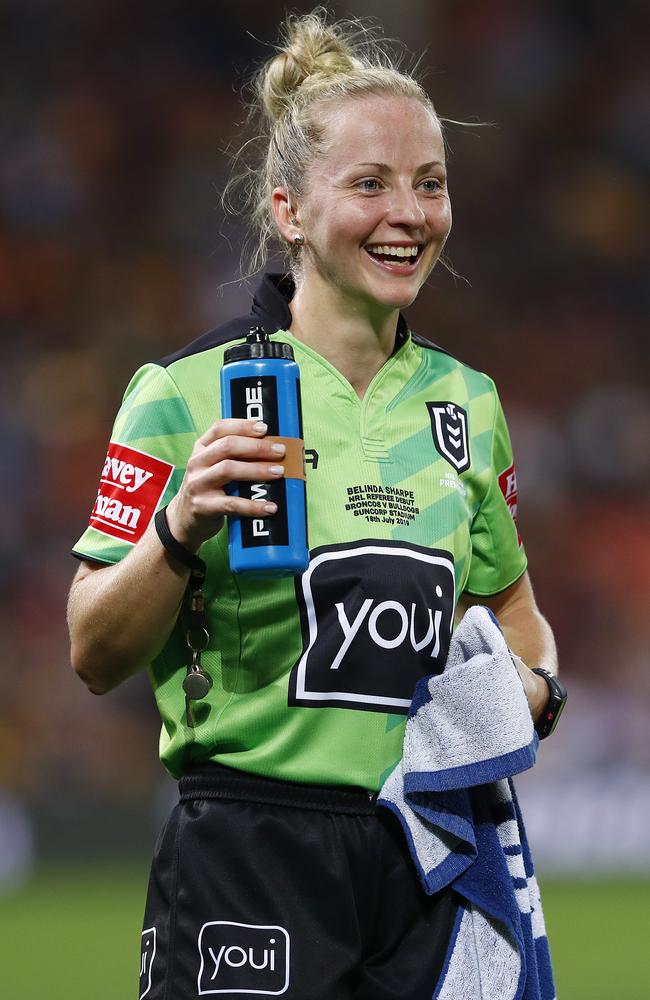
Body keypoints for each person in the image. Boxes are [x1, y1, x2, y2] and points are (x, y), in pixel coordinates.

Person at [67, 11, 562, 999]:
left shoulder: (466, 402)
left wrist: (536, 693)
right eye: (369, 184)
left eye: (429, 183)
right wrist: (177, 529)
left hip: (425, 849)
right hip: (247, 848)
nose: (408, 212)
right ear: (289, 210)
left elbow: (512, 606)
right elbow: (91, 649)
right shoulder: (183, 392)